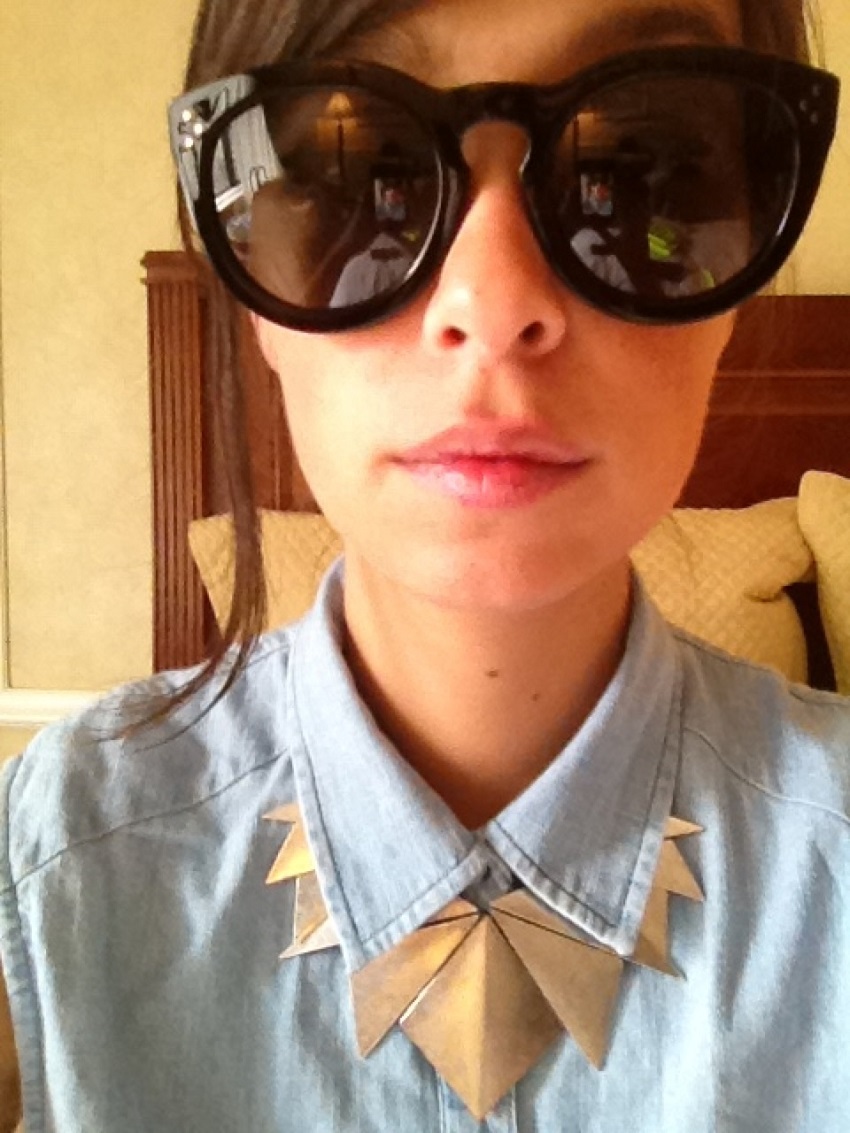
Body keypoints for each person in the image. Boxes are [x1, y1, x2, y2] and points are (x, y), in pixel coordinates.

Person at [0, 0, 846, 1129]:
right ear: (250, 290)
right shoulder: (49, 870)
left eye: (635, 172)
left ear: (735, 293)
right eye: (364, 181)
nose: (492, 305)